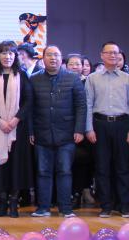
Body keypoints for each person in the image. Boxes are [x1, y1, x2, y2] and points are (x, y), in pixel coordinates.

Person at [29, 46, 86, 218]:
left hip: (67, 134)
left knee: (65, 171)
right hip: (42, 133)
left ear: (61, 59)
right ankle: (43, 208)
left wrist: (79, 129)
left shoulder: (73, 78)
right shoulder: (34, 79)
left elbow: (81, 106)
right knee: (43, 172)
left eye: (56, 55)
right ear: (43, 58)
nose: (53, 58)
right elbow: (30, 108)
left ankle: (65, 209)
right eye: (49, 55)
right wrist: (31, 131)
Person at [85, 41, 129, 218]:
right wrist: (89, 129)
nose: (112, 55)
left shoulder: (127, 78)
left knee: (123, 167)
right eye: (109, 52)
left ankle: (124, 206)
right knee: (102, 167)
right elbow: (88, 105)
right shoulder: (93, 78)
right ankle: (106, 206)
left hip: (122, 124)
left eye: (115, 53)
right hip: (100, 124)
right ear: (102, 55)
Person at [0, 41, 33, 217]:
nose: (7, 56)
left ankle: (14, 203)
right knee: (0, 167)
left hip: (17, 129)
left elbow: (28, 100)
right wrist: (0, 121)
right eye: (4, 53)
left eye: (11, 53)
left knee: (16, 166)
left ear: (15, 56)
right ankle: (2, 203)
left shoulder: (22, 75)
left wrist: (15, 120)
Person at [65, 53, 94, 208]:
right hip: (65, 129)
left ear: (83, 67)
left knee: (81, 162)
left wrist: (82, 129)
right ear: (66, 66)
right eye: (71, 64)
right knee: (65, 163)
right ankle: (66, 194)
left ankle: (78, 193)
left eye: (78, 64)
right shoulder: (62, 81)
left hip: (83, 129)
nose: (75, 67)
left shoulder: (88, 83)